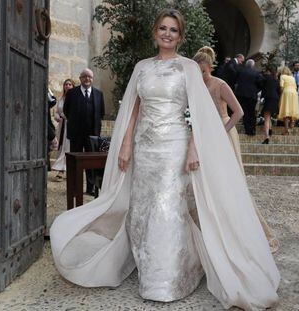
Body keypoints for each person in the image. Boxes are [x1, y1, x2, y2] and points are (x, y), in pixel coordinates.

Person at [50, 8, 279, 310]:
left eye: (173, 30)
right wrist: (126, 144)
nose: (167, 34)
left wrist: (195, 147)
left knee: (167, 208)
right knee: (143, 207)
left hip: (175, 145)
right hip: (145, 148)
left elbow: (197, 112)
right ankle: (149, 267)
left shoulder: (188, 68)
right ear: (155, 32)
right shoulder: (142, 67)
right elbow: (134, 108)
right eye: (163, 28)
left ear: (180, 36)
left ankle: (167, 280)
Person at [193, 47, 279, 252]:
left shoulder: (220, 84)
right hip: (205, 134)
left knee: (230, 180)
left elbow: (238, 112)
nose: (201, 75)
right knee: (211, 181)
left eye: (203, 72)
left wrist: (222, 131)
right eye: (197, 72)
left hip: (224, 131)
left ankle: (243, 228)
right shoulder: (195, 87)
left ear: (210, 68)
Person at [63, 68, 105, 196]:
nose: (87, 79)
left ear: (92, 79)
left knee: (91, 163)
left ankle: (91, 188)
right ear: (80, 78)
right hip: (76, 134)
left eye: (90, 77)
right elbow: (66, 110)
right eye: (85, 76)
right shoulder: (72, 93)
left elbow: (101, 113)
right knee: (75, 161)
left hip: (92, 135)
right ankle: (75, 188)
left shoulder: (99, 94)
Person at [52, 79, 75, 180]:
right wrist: (57, 116)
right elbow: (57, 111)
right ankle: (63, 169)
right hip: (62, 126)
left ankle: (62, 170)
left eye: (70, 84)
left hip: (70, 125)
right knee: (61, 147)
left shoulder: (75, 98)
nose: (68, 86)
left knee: (67, 147)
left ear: (73, 86)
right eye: (66, 84)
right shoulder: (61, 98)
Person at [234, 59, 263, 136]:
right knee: (252, 112)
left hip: (241, 95)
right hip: (252, 95)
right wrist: (256, 90)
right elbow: (261, 83)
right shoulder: (256, 73)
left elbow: (236, 81)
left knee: (245, 112)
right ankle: (252, 130)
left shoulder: (240, 71)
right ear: (253, 65)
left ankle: (247, 129)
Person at [260, 66, 280, 143]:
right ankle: (270, 129)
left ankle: (266, 136)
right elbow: (278, 90)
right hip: (275, 99)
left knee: (266, 118)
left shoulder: (266, 77)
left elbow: (261, 85)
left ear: (269, 71)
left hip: (268, 98)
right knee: (269, 115)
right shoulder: (276, 80)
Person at [277, 66, 299, 135]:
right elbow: (295, 87)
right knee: (292, 109)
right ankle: (291, 125)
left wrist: (280, 94)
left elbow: (281, 86)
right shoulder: (292, 77)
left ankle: (286, 129)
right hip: (294, 93)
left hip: (286, 92)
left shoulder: (282, 76)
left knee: (285, 110)